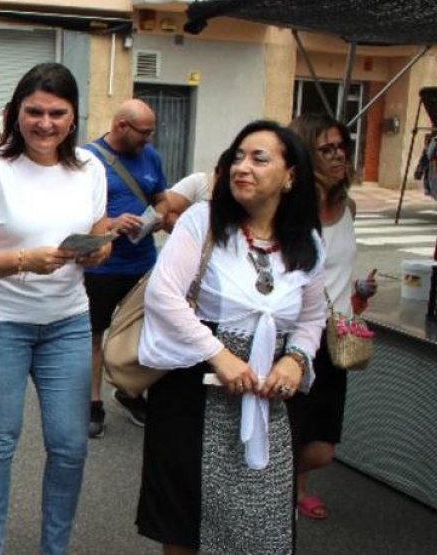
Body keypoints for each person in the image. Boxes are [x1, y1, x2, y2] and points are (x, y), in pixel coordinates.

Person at [136, 120, 327, 555]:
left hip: (268, 398)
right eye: (237, 157)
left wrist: (295, 359)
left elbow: (314, 316)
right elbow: (164, 296)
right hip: (193, 389)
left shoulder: (306, 242)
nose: (243, 167)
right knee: (187, 522)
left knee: (263, 519)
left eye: (260, 159)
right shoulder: (202, 221)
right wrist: (219, 355)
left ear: (290, 175)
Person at [0, 62, 112, 555]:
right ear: (15, 113)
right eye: (34, 111)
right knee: (0, 442)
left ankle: (55, 548)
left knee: (69, 446)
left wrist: (98, 250)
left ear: (73, 118)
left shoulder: (90, 168)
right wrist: (25, 260)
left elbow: (101, 232)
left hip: (67, 322)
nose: (45, 123)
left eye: (57, 113)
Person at [286, 113, 377, 521]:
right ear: (307, 155)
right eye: (327, 149)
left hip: (335, 337)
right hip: (294, 335)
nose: (339, 155)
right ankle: (286, 489)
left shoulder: (348, 206)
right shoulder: (291, 210)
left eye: (343, 146)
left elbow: (339, 271)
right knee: (288, 428)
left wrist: (359, 293)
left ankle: (287, 481)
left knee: (321, 448)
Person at [83, 99, 168, 436]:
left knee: (146, 333)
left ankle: (131, 391)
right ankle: (93, 403)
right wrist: (113, 222)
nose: (148, 139)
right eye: (143, 133)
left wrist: (158, 216)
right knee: (94, 335)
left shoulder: (151, 157)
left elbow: (162, 198)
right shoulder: (88, 161)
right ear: (121, 126)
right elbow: (76, 216)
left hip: (143, 263)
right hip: (102, 266)